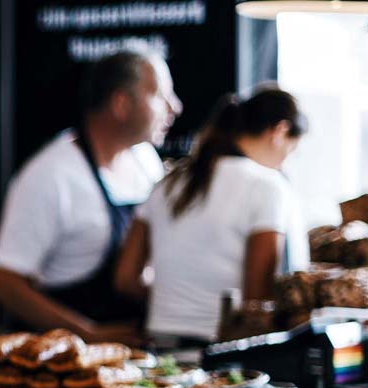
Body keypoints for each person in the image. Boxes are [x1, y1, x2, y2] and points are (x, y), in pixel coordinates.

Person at [0, 48, 182, 344]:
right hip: (62, 358)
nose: (175, 107)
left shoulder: (145, 160)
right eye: (160, 95)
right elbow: (6, 284)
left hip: (133, 350)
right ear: (121, 104)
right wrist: (88, 334)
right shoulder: (50, 176)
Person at [114, 87, 308, 346]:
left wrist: (176, 300)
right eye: (292, 151)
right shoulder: (268, 187)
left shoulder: (167, 183)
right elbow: (256, 302)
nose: (286, 162)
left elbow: (125, 279)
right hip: (223, 353)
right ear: (280, 132)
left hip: (159, 347)